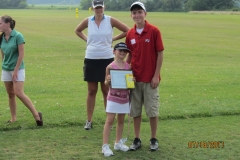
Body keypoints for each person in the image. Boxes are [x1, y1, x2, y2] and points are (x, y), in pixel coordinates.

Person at [75, 0, 129, 130]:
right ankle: (89, 120)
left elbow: (127, 30)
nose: (99, 9)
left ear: (104, 7)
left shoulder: (110, 20)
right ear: (93, 8)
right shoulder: (88, 21)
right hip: (91, 58)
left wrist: (113, 39)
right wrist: (87, 40)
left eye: (100, 7)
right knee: (91, 91)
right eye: (96, 7)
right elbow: (78, 30)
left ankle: (108, 120)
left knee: (106, 90)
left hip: (107, 59)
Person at [125, 2, 164, 151]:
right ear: (131, 15)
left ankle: (153, 139)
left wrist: (156, 76)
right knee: (135, 112)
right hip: (134, 79)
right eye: (134, 13)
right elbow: (129, 55)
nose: (137, 15)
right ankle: (137, 139)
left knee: (152, 111)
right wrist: (125, 73)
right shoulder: (130, 33)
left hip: (150, 80)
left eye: (139, 12)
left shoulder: (154, 31)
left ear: (145, 13)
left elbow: (160, 54)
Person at [0, 15, 43, 126]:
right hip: (6, 69)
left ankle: (37, 116)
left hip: (17, 69)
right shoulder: (1, 37)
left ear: (8, 24)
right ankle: (13, 118)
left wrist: (15, 71)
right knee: (10, 94)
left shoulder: (18, 36)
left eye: (0, 23)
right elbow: (3, 53)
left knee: (19, 93)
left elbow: (21, 54)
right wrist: (4, 63)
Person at [102, 42, 132, 157]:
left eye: (124, 51)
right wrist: (108, 80)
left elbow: (128, 84)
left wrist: (131, 82)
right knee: (109, 120)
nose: (122, 53)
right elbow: (106, 83)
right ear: (114, 51)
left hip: (124, 97)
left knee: (121, 120)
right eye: (120, 50)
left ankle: (117, 142)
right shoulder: (110, 67)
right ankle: (105, 145)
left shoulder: (128, 66)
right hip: (113, 97)